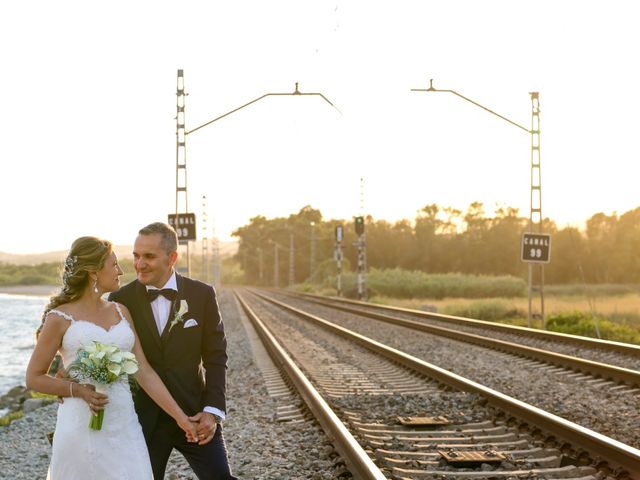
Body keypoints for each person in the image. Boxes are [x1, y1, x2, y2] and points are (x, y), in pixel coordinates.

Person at [26, 236, 198, 480]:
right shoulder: (59, 318)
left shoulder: (121, 312)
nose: (121, 271)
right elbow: (33, 378)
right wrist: (77, 389)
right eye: (114, 265)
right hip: (81, 423)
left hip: (124, 422)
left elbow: (144, 372)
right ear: (93, 272)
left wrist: (181, 418)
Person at [109, 222, 235, 480]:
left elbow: (215, 357)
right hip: (144, 419)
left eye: (149, 256)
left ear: (172, 257)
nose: (139, 264)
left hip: (195, 414)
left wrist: (212, 410)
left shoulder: (202, 295)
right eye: (136, 255)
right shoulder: (121, 300)